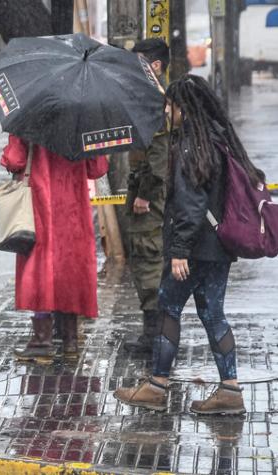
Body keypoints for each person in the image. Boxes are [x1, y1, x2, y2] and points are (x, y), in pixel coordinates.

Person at [113, 75, 264, 415]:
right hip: (218, 246)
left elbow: (192, 202)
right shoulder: (218, 138)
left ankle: (157, 385)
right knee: (213, 314)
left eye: (170, 105)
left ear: (183, 107)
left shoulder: (190, 145)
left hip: (194, 248)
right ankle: (230, 389)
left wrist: (179, 249)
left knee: (168, 307)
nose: (168, 111)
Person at [1, 135, 109, 358]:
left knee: (40, 269)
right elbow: (97, 168)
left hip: (40, 206)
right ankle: (70, 341)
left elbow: (15, 160)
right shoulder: (84, 122)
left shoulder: (29, 120)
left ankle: (42, 341)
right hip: (74, 210)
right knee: (70, 269)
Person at [123, 39, 171, 353]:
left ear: (155, 66)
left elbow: (159, 157)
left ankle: (156, 337)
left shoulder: (157, 100)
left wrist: (145, 195)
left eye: (140, 63)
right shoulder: (151, 98)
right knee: (146, 259)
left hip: (151, 198)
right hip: (148, 191)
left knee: (149, 259)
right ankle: (153, 334)